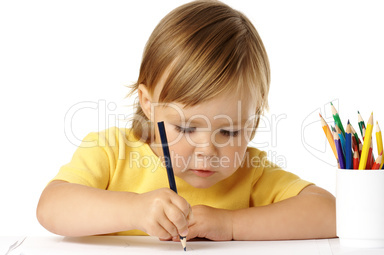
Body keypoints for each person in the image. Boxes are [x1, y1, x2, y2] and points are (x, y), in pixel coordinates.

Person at [37, 0, 336, 241]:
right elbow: (51, 207)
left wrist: (231, 225)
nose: (207, 150)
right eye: (186, 127)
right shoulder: (111, 151)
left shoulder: (250, 172)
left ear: (253, 123)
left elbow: (331, 213)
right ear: (148, 104)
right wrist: (134, 210)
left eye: (229, 131)